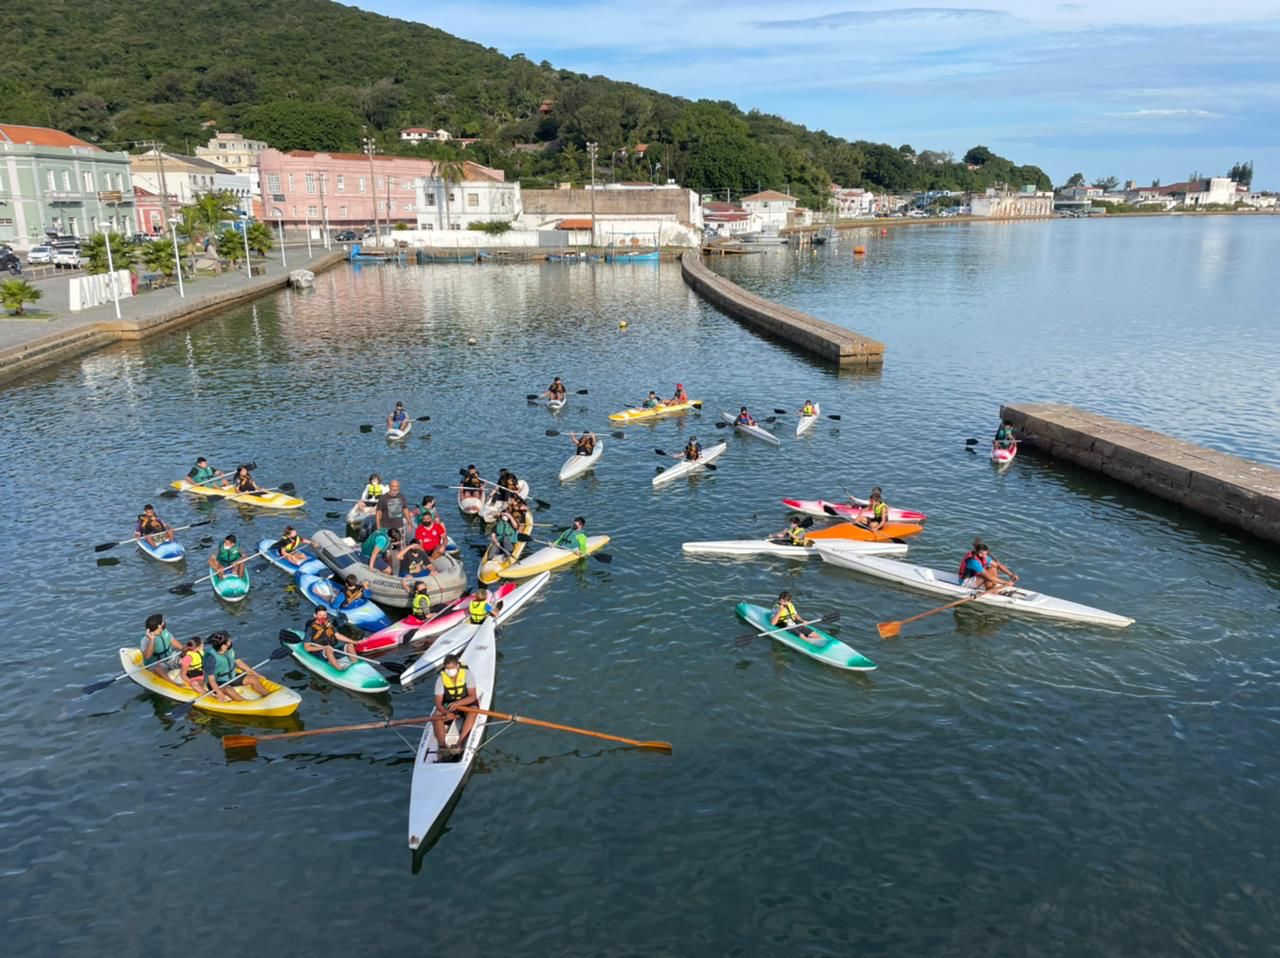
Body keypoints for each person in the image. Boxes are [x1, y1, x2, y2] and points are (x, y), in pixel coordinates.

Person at [431, 652, 480, 757]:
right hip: (449, 706)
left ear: (458, 666)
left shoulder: (467, 674)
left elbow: (472, 696)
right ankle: (442, 746)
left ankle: (460, 743)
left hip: (466, 703)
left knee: (473, 712)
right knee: (436, 716)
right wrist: (446, 713)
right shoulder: (441, 679)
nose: (449, 671)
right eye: (447, 669)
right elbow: (438, 703)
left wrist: (458, 703)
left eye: (452, 668)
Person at [205, 631, 270, 701]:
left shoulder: (229, 650)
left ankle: (268, 696)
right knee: (229, 690)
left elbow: (239, 662)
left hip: (232, 676)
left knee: (253, 679)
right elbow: (211, 680)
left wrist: (257, 674)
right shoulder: (211, 659)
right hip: (218, 681)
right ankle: (245, 703)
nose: (231, 641)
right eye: (229, 640)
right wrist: (219, 692)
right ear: (223, 645)